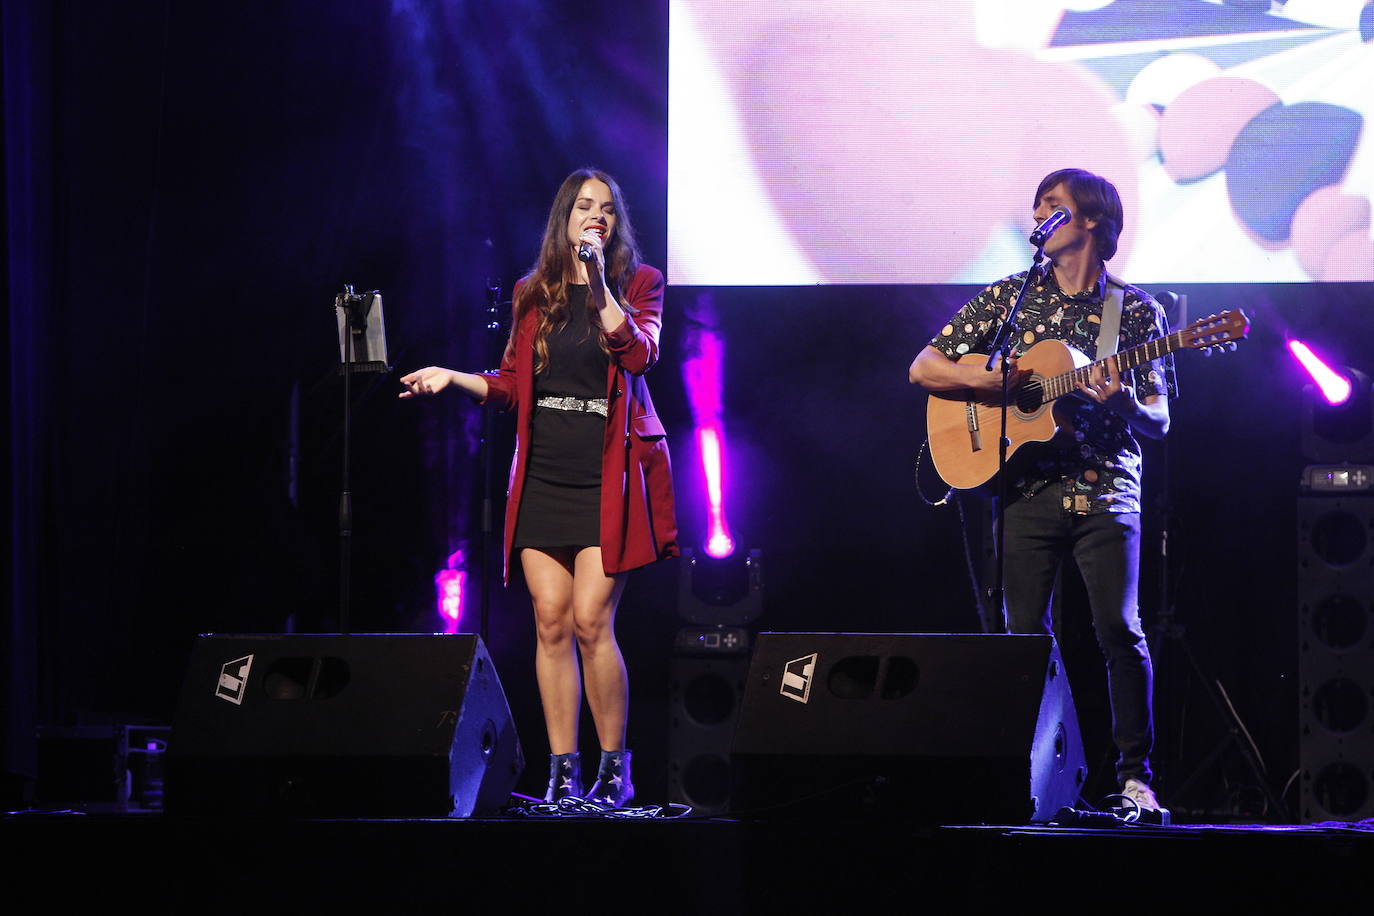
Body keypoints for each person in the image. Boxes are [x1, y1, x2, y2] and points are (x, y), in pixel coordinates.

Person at [400, 168, 678, 807]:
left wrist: (599, 283)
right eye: (584, 206)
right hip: (544, 475)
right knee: (550, 623)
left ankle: (614, 770)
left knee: (590, 621)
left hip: (606, 478)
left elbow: (638, 356)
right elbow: (510, 384)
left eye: (606, 209)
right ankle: (562, 772)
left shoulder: (639, 284)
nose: (596, 217)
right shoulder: (534, 292)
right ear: (565, 216)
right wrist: (452, 377)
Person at [907, 168, 1176, 811]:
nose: (1040, 212)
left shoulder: (1133, 311)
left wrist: (1128, 406)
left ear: (1090, 221)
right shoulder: (1011, 298)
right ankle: (1023, 777)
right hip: (1025, 488)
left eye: (1054, 204)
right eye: (1038, 204)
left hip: (1105, 485)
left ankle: (1134, 778)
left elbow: (1161, 419)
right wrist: (993, 387)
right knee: (1022, 637)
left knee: (1118, 628)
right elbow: (924, 366)